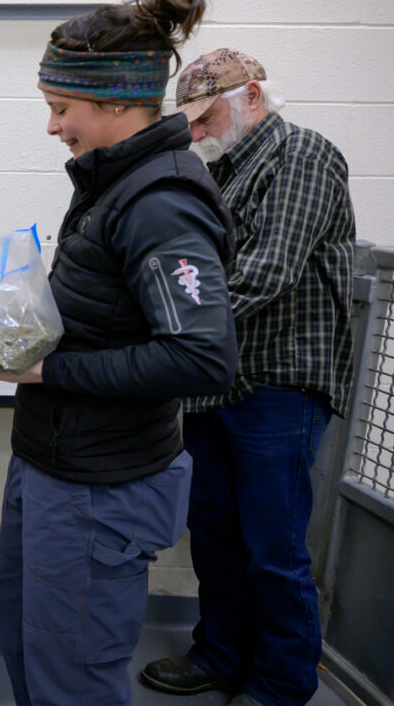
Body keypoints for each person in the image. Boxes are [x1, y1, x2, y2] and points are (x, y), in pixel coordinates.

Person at [0, 0, 238, 704]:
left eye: (59, 108)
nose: (51, 126)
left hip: (101, 486)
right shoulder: (111, 184)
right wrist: (11, 325)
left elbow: (202, 355)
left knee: (73, 677)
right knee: (32, 649)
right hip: (53, 465)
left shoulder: (161, 203)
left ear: (113, 104)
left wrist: (48, 367)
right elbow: (110, 310)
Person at [140, 49, 356, 706]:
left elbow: (265, 270)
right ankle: (221, 654)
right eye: (193, 123)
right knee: (215, 534)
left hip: (279, 382)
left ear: (254, 96)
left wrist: (166, 331)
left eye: (207, 117)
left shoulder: (305, 155)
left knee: (273, 544)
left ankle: (281, 682)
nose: (198, 133)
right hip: (217, 382)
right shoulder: (224, 172)